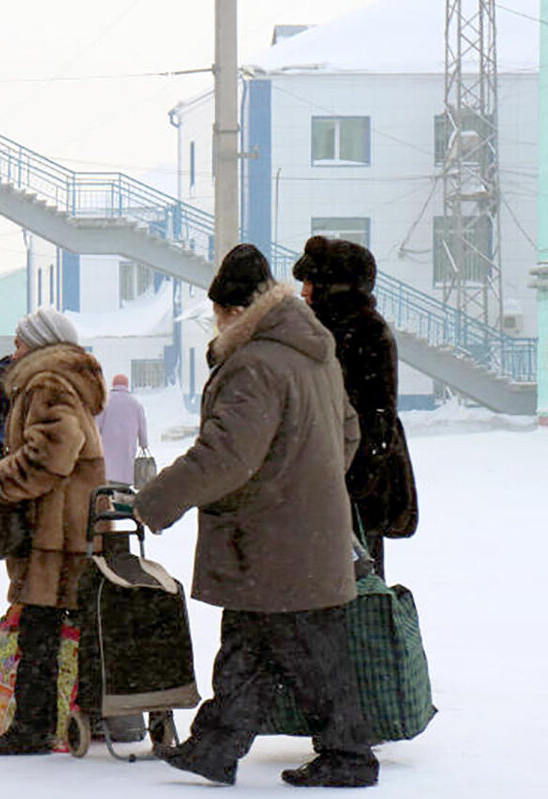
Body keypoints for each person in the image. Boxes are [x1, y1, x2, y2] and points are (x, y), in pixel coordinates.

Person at [134, 244, 379, 787]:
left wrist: (155, 499)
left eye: (218, 311)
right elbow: (349, 430)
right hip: (298, 530)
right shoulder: (314, 353)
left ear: (234, 310)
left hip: (272, 535)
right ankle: (215, 746)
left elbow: (227, 455)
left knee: (307, 651)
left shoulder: (255, 365)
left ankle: (347, 755)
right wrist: (307, 481)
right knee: (251, 640)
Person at [0, 307, 107, 755]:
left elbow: (55, 448)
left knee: (39, 626)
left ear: (39, 345)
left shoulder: (46, 382)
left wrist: (0, 477)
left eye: (18, 342)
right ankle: (91, 714)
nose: (13, 352)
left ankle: (32, 726)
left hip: (56, 528)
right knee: (69, 623)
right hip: (72, 524)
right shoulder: (62, 379)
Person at [293, 236, 418, 579]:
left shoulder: (366, 333)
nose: (303, 292)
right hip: (330, 485)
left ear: (333, 285)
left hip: (355, 491)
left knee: (358, 587)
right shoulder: (322, 331)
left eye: (309, 282)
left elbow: (377, 419)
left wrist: (348, 483)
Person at [93, 373, 149, 486]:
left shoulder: (105, 402)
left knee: (106, 489)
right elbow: (142, 430)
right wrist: (144, 444)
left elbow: (96, 426)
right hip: (127, 457)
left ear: (113, 385)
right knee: (123, 490)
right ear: (127, 386)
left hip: (106, 460)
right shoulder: (136, 404)